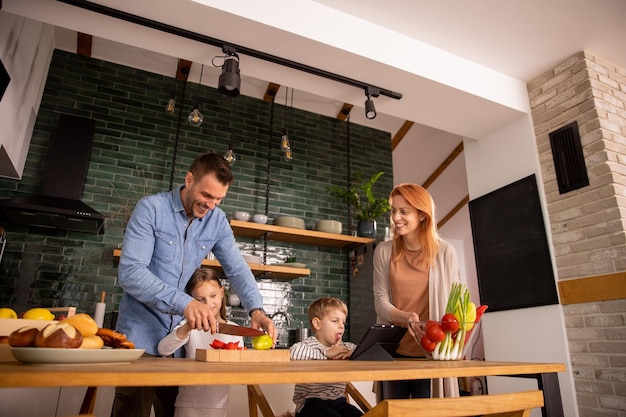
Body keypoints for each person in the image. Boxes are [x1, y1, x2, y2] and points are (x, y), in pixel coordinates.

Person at [112, 152, 277, 417]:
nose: (211, 205)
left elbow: (237, 268)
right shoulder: (151, 209)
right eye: (207, 196)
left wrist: (256, 310)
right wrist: (184, 302)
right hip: (139, 340)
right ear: (189, 180)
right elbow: (131, 272)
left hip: (179, 349)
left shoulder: (217, 220)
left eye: (219, 199)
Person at [373, 183, 460, 400]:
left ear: (422, 215)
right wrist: (406, 317)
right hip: (393, 353)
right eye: (394, 211)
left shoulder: (445, 252)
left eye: (404, 211)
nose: (396, 217)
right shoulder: (383, 252)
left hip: (432, 352)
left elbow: (454, 305)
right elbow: (380, 301)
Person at [158, 268, 242, 417]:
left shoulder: (234, 331)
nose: (208, 304)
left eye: (213, 296)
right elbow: (163, 349)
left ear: (222, 293)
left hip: (218, 405)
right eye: (200, 299)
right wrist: (187, 327)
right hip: (187, 403)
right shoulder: (190, 327)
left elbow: (240, 374)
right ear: (191, 301)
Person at [289, 297, 363, 417]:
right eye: (335, 321)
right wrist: (326, 354)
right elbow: (293, 352)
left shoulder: (345, 347)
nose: (341, 326)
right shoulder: (310, 345)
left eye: (343, 322)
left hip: (339, 400)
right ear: (317, 324)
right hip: (310, 403)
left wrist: (354, 354)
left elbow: (365, 350)